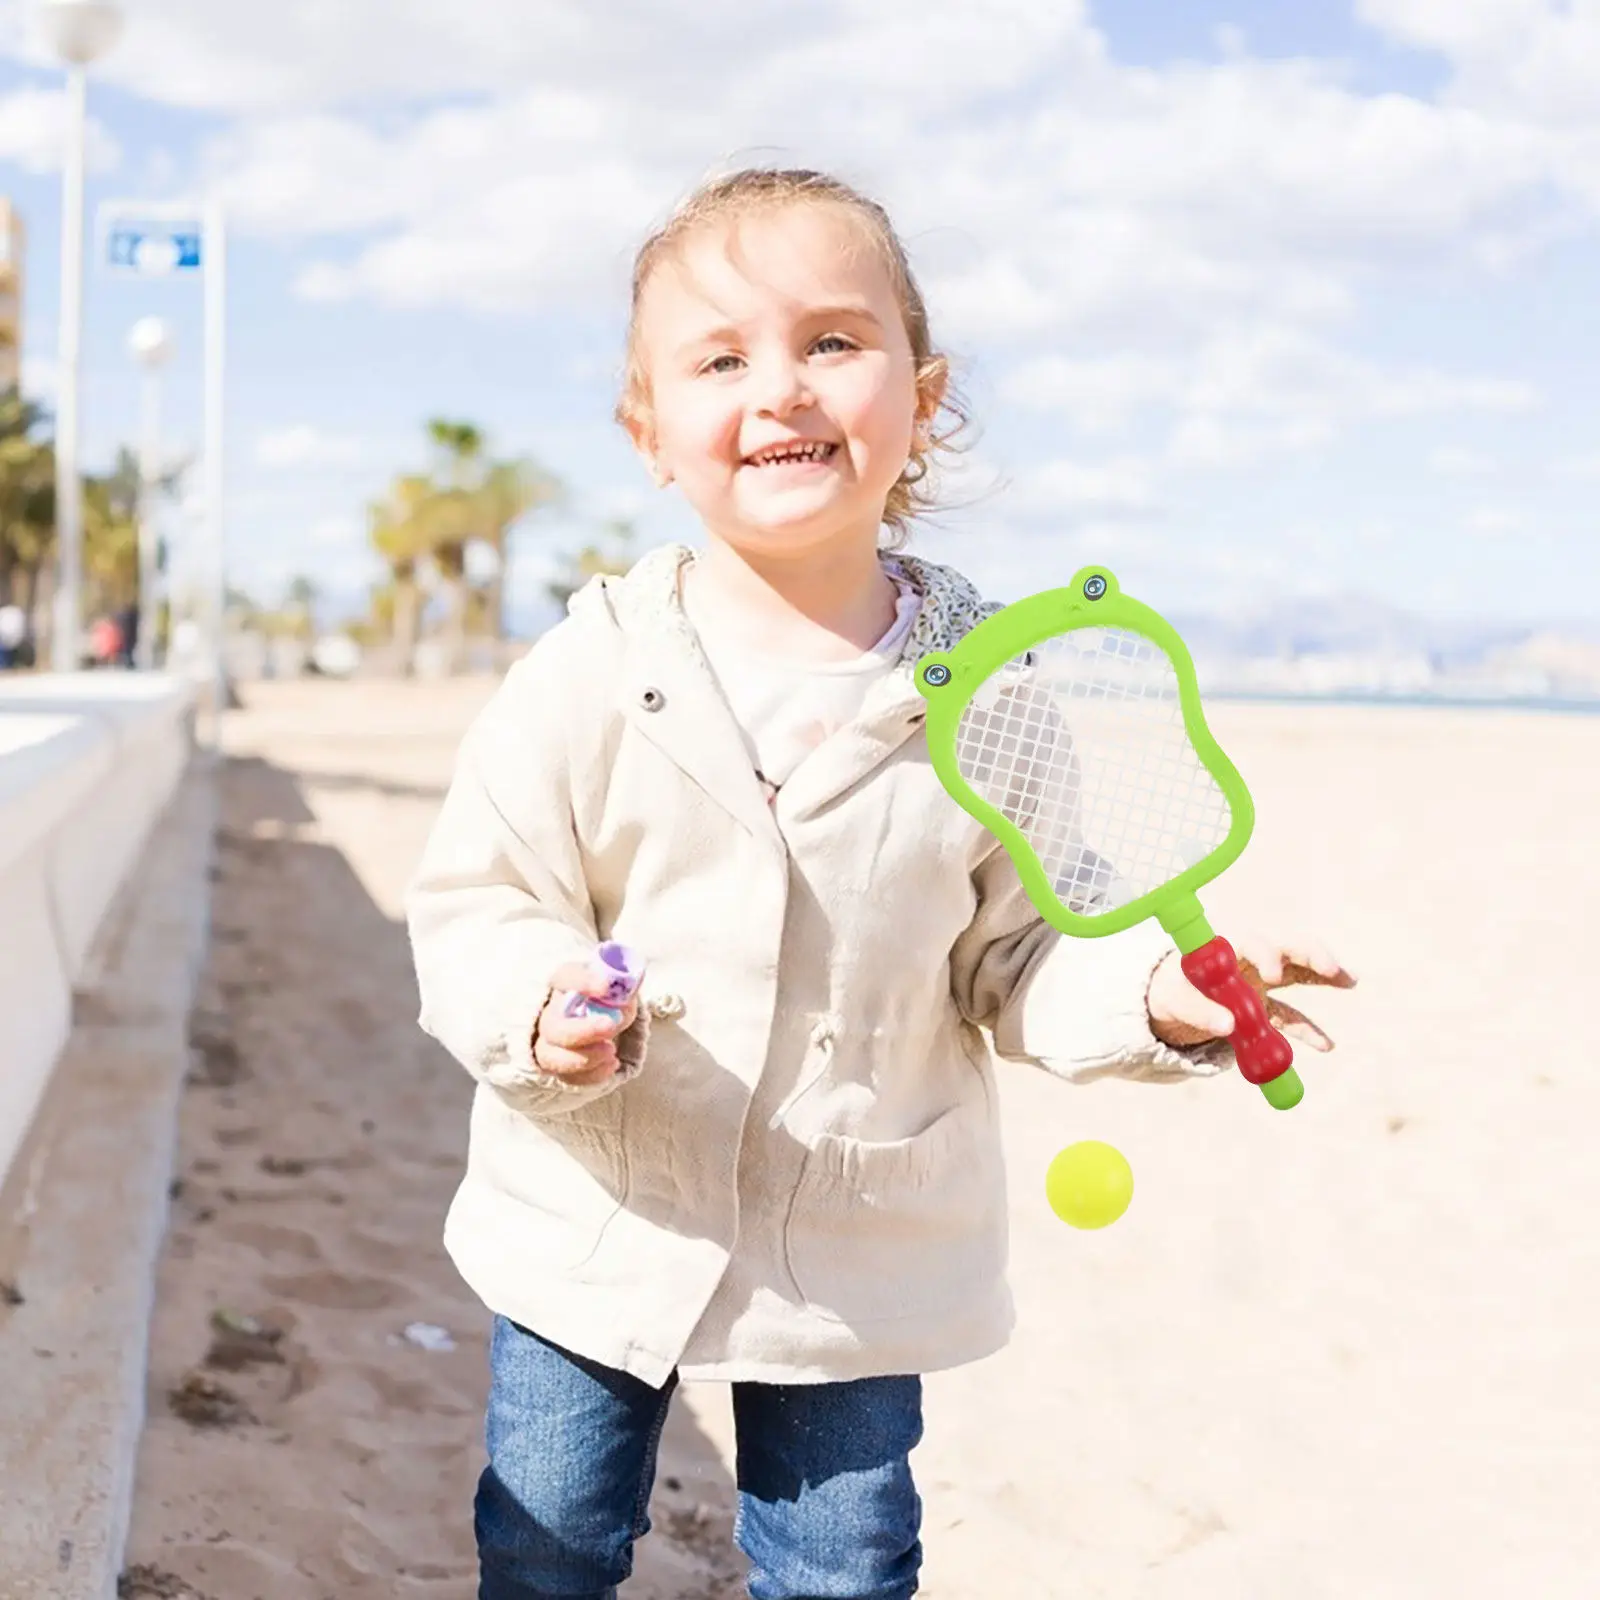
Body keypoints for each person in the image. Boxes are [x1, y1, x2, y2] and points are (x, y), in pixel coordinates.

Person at [406, 168, 1354, 1600]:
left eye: (833, 343)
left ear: (924, 390)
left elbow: (1027, 950)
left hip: (853, 1237)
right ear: (647, 430)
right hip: (600, 1211)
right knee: (549, 1539)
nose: (781, 389)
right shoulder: (595, 668)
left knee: (846, 1561)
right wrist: (539, 1007)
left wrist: (1155, 994)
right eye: (722, 359)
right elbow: (481, 893)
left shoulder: (987, 689)